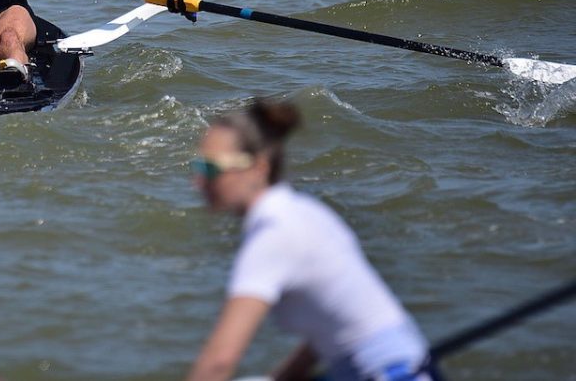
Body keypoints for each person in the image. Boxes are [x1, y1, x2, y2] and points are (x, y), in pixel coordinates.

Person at [185, 100, 433, 381]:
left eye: (211, 169)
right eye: (198, 166)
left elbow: (219, 362)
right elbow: (334, 322)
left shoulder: (273, 236)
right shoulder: (304, 211)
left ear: (258, 168)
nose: (198, 181)